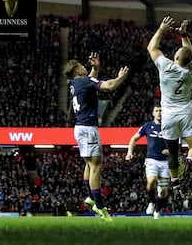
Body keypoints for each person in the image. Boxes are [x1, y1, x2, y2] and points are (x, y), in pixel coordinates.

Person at [65, 51, 129, 222]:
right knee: (96, 167)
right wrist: (120, 77)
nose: (85, 67)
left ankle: (90, 197)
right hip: (88, 128)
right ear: (77, 71)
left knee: (89, 164)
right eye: (81, 66)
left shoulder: (76, 83)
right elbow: (108, 86)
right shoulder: (85, 81)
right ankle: (100, 206)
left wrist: (96, 68)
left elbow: (90, 82)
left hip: (80, 127)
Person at [146, 16, 192, 196]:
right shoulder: (189, 71)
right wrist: (184, 36)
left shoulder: (165, 66)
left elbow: (151, 48)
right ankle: (188, 161)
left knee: (172, 152)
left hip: (168, 116)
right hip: (185, 113)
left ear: (176, 56)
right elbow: (190, 53)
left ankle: (175, 182)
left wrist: (162, 29)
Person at [125, 104, 170, 219]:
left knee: (164, 192)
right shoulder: (147, 126)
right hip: (151, 159)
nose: (159, 112)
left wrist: (170, 150)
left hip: (165, 162)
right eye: (157, 110)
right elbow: (134, 138)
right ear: (153, 113)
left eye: (161, 110)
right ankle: (152, 201)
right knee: (151, 182)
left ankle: (157, 210)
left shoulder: (169, 127)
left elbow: (176, 142)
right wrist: (129, 152)